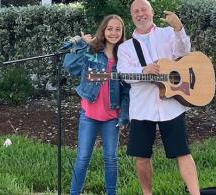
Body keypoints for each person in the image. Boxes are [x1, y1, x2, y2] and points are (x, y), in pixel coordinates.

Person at [116, 0, 200, 195]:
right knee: (142, 156)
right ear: (132, 16)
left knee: (183, 152)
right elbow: (124, 74)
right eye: (135, 11)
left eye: (144, 9)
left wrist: (179, 28)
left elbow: (183, 53)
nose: (140, 14)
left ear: (152, 12)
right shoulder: (126, 47)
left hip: (172, 105)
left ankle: (195, 193)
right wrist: (143, 70)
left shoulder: (168, 33)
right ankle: (147, 193)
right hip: (142, 108)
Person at [63, 14, 130, 195]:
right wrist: (81, 44)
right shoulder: (92, 50)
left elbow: (126, 91)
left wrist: (124, 115)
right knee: (83, 157)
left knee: (111, 158)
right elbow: (71, 67)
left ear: (122, 32)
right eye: (110, 29)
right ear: (103, 30)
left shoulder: (125, 56)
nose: (114, 33)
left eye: (118, 29)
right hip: (89, 115)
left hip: (111, 117)